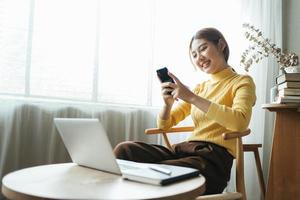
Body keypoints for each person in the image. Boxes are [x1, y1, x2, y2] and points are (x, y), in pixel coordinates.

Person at [114, 27, 256, 194]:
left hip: (211, 161)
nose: (199, 58)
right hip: (184, 151)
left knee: (158, 171)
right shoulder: (200, 88)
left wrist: (192, 97)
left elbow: (239, 122)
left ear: (221, 45)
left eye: (203, 48)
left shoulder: (241, 82)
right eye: (194, 55)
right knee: (125, 150)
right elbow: (164, 125)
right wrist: (167, 104)